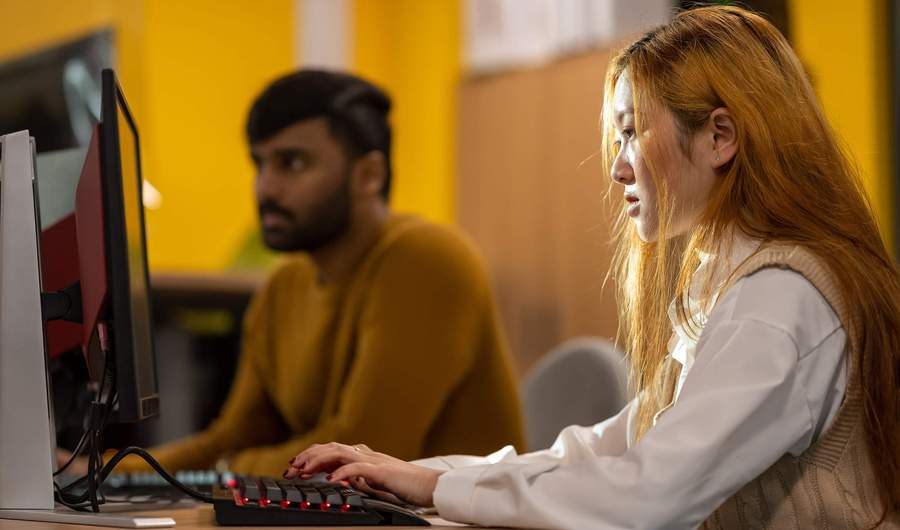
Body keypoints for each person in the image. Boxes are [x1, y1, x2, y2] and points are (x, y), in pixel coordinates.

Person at [284, 6, 900, 529]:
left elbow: (646, 493)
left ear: (720, 137)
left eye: (632, 132)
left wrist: (436, 490)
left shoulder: (778, 303)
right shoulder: (736, 285)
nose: (619, 168)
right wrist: (422, 476)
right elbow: (596, 456)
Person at [105, 70, 524, 476]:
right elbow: (231, 439)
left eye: (292, 163)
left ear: (369, 175)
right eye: (260, 164)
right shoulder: (283, 287)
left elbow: (366, 449)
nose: (266, 188)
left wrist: (231, 470)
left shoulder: (429, 259)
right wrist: (109, 469)